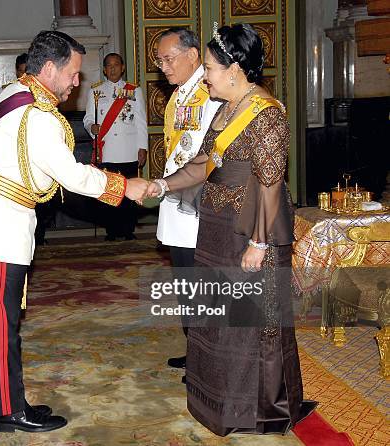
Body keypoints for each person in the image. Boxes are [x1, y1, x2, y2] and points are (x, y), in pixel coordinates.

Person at [0, 30, 148, 433]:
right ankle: (9, 412)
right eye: (73, 74)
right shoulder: (37, 116)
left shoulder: (13, 91)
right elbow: (71, 176)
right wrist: (126, 186)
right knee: (2, 323)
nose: (77, 83)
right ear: (48, 69)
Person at [147, 23, 315, 435]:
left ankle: (258, 410)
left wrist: (259, 242)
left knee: (253, 323)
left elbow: (272, 183)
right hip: (217, 227)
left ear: (234, 68)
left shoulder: (267, 113)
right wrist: (161, 185)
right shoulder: (225, 107)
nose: (204, 76)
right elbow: (205, 163)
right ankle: (218, 403)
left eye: (208, 68)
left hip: (253, 228)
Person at [153, 28, 221, 376]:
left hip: (197, 203)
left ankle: (207, 357)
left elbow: (209, 156)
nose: (162, 66)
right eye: (160, 60)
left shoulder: (211, 92)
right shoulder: (181, 94)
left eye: (168, 59)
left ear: (192, 55)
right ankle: (195, 347)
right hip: (177, 200)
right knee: (185, 282)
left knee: (201, 284)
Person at [83, 53, 147, 241]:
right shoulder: (95, 91)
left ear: (122, 67)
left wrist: (142, 147)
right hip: (108, 150)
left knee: (130, 192)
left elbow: (141, 121)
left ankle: (128, 230)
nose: (112, 69)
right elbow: (88, 118)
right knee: (110, 191)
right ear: (104, 69)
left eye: (116, 65)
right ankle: (112, 231)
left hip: (129, 149)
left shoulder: (134, 91)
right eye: (109, 66)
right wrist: (91, 127)